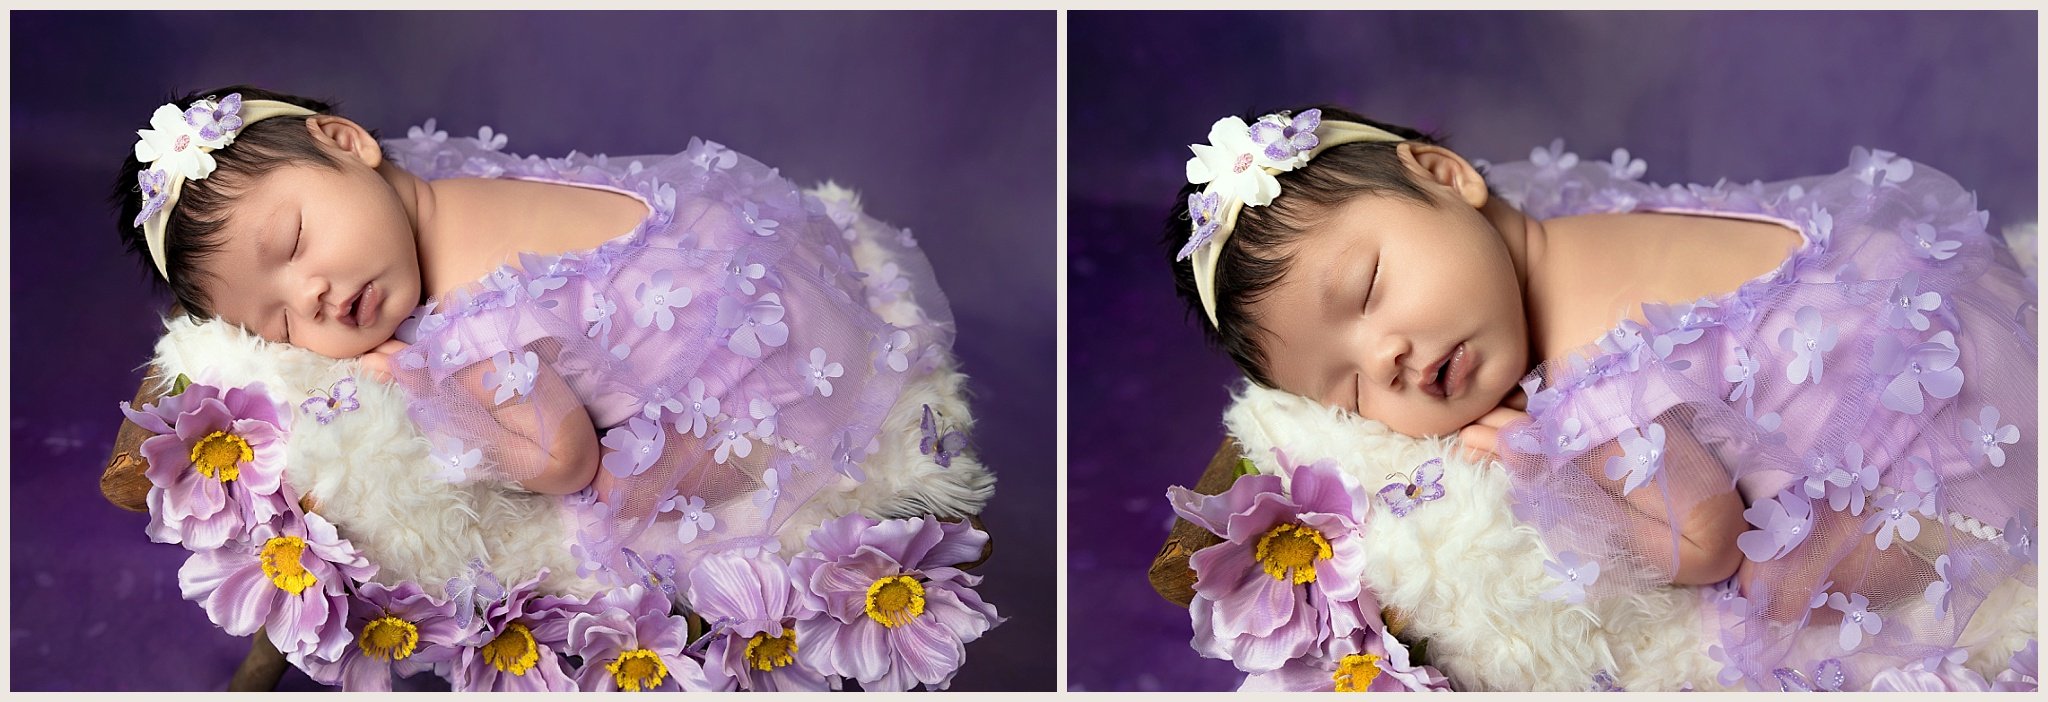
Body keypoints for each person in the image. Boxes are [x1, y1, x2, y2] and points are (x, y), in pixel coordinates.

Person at [1162, 104, 2035, 689]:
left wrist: (1549, 471)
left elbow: (1707, 544)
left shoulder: (1589, 384)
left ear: (1445, 172)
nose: (1385, 354)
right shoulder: (1561, 222)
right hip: (1930, 293)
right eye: (1346, 387)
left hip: (1954, 465)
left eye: (1368, 287)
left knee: (1777, 595)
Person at [112, 85, 984, 595]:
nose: (317, 296)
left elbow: (562, 460)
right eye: (280, 321)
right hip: (737, 249)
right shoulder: (436, 182)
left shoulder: (472, 322)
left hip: (761, 391)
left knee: (625, 495)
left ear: (346, 143)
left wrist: (436, 393)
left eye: (295, 241)